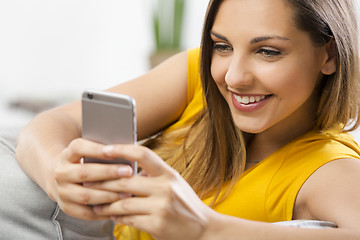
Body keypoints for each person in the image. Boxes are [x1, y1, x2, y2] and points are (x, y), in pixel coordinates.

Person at [16, 0, 360, 239]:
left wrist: (206, 229)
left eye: (267, 51)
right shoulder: (200, 78)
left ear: (328, 54)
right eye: (222, 46)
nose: (234, 77)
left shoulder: (329, 169)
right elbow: (45, 126)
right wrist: (55, 175)